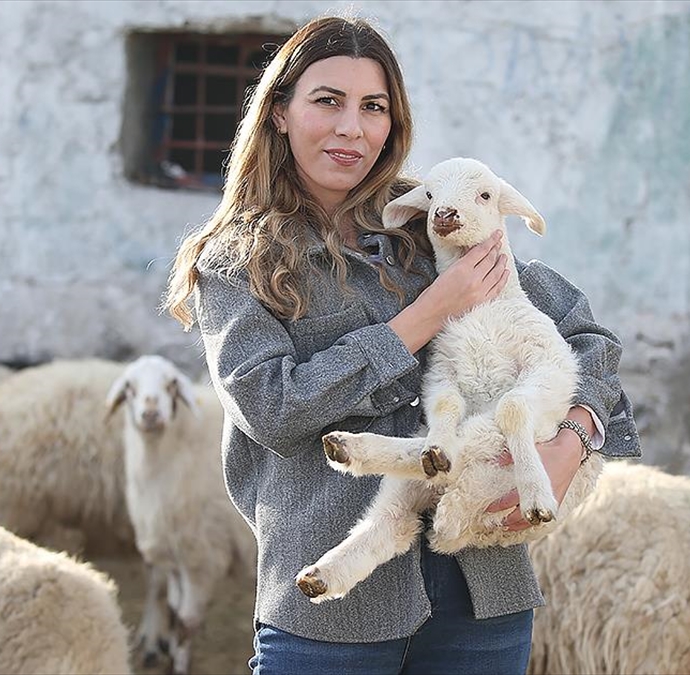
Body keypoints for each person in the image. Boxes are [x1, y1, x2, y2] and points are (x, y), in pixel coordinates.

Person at [163, 13, 640, 675]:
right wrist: (423, 316)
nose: (350, 127)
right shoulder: (235, 264)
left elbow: (586, 338)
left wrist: (574, 436)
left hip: (483, 595)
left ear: (394, 121)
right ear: (278, 111)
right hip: (331, 611)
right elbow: (273, 410)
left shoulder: (438, 218)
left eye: (373, 107)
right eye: (327, 101)